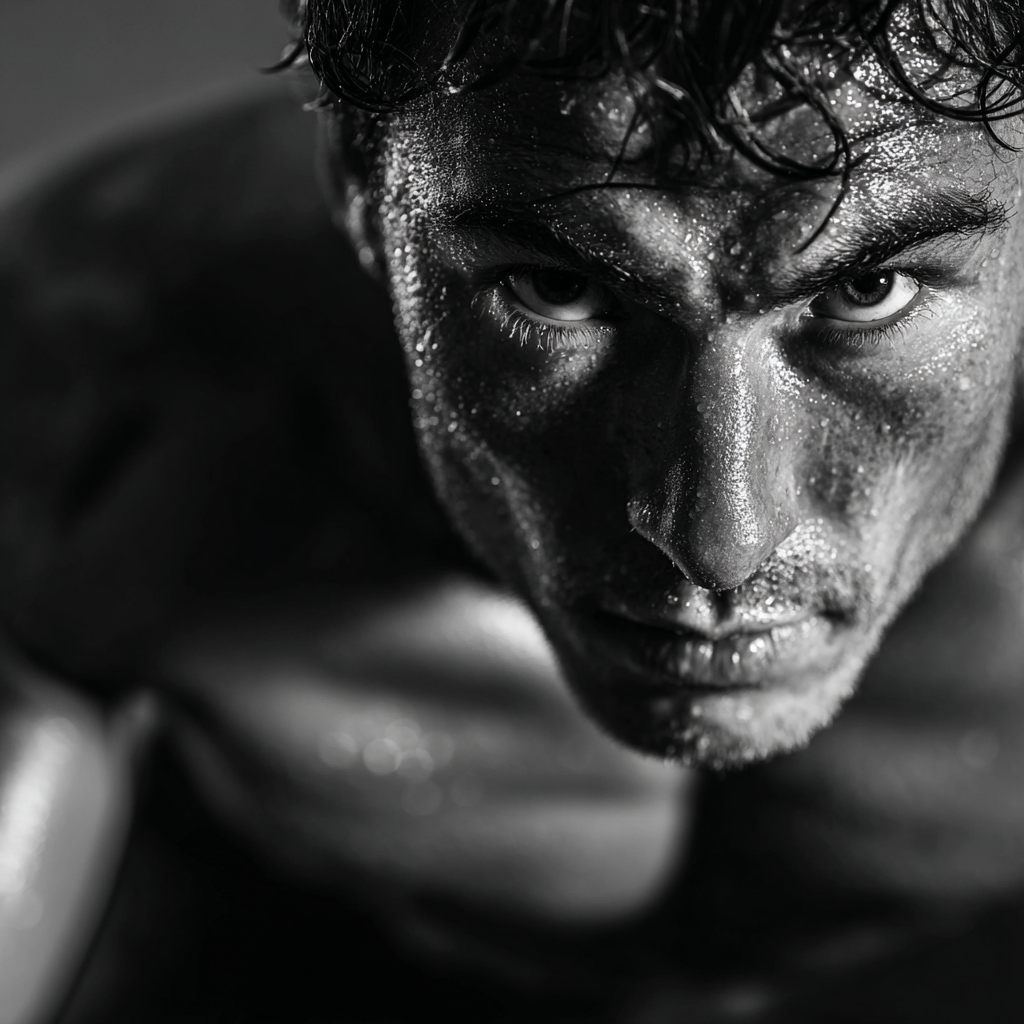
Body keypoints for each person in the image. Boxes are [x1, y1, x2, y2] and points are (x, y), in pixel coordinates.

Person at [2, 1, 1024, 1020]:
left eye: (868, 287)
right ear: (360, 188)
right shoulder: (101, 377)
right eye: (553, 290)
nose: (717, 545)